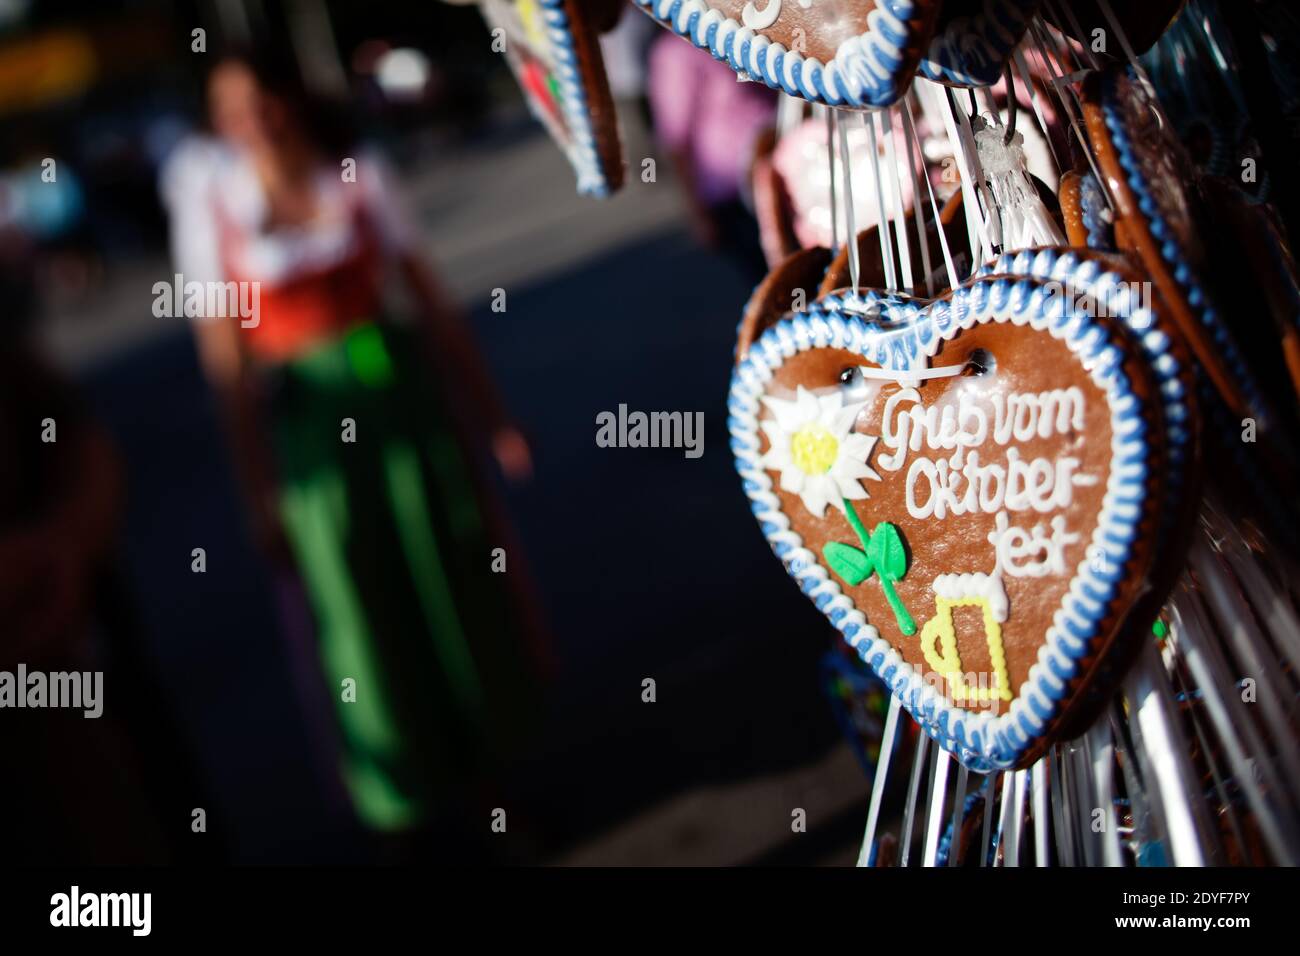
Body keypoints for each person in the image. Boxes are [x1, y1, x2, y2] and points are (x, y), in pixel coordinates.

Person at [160, 52, 545, 838]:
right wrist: (256, 489)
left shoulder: (355, 175)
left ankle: (492, 775)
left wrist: (493, 415)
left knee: (447, 574)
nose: (254, 123)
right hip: (314, 431)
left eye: (262, 103)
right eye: (233, 111)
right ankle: (399, 797)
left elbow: (431, 302)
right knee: (354, 604)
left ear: (288, 106)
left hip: (402, 402)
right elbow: (226, 364)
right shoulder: (215, 209)